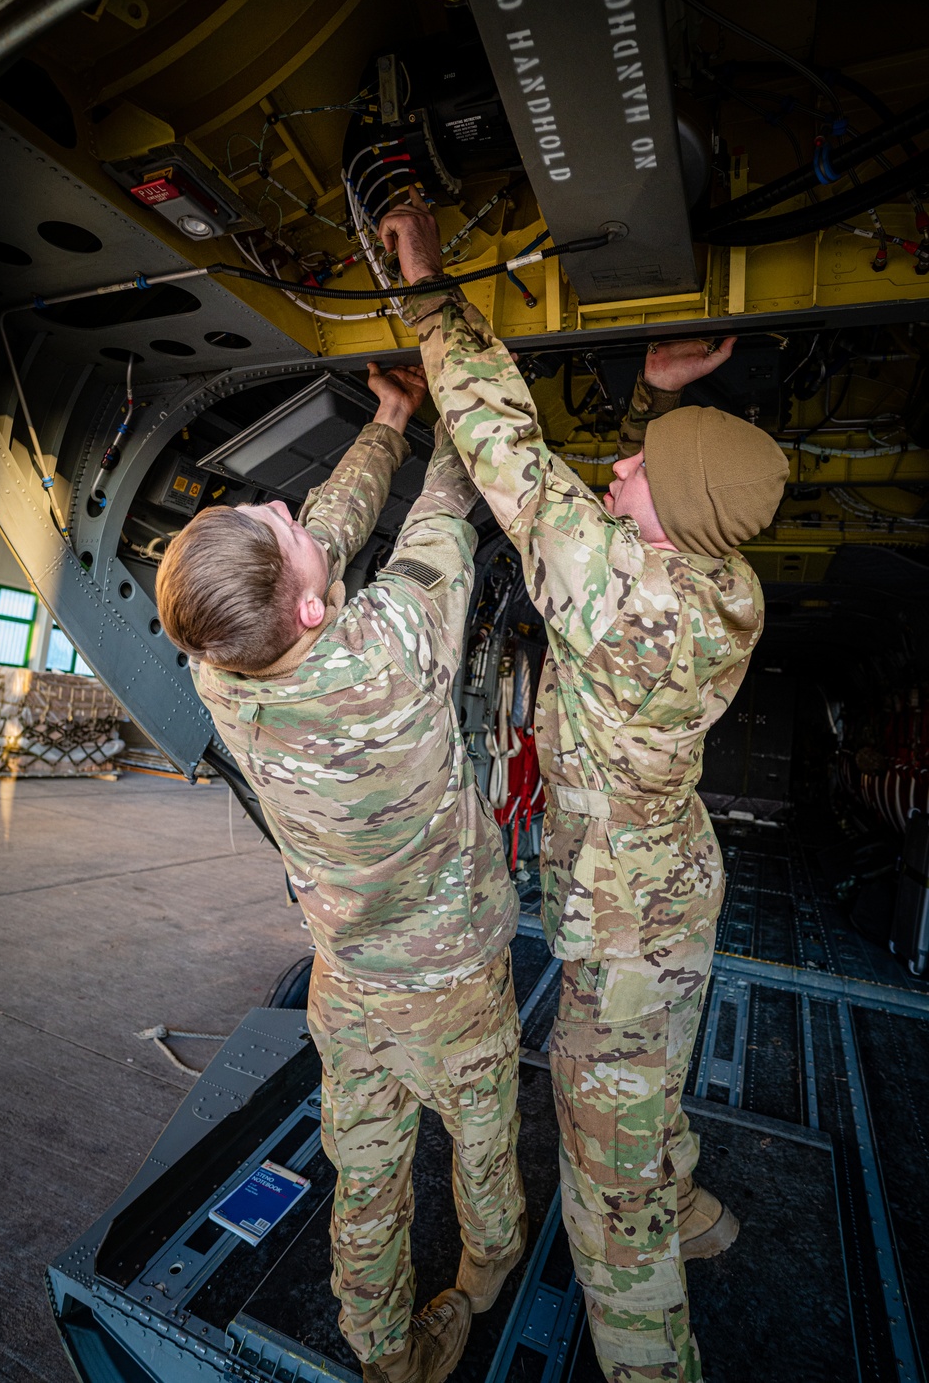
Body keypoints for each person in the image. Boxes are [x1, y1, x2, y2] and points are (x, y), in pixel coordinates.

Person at [377, 189, 789, 1383]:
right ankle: (685, 1191)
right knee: (649, 1078)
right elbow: (639, 503)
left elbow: (509, 449)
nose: (617, 464)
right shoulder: (723, 585)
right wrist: (662, 406)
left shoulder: (624, 598)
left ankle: (653, 1343)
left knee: (607, 1202)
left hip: (620, 926)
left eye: (640, 467)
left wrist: (424, 285)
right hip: (672, 891)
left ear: (668, 527)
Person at [156, 365, 527, 1383]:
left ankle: (384, 1352)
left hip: (350, 980)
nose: (283, 505)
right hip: (452, 980)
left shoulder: (219, 664)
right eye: (275, 521)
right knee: (484, 1143)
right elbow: (444, 508)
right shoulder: (393, 649)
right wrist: (451, 402)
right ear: (315, 606)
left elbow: (320, 536)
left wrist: (391, 415)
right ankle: (488, 1273)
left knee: (366, 1173)